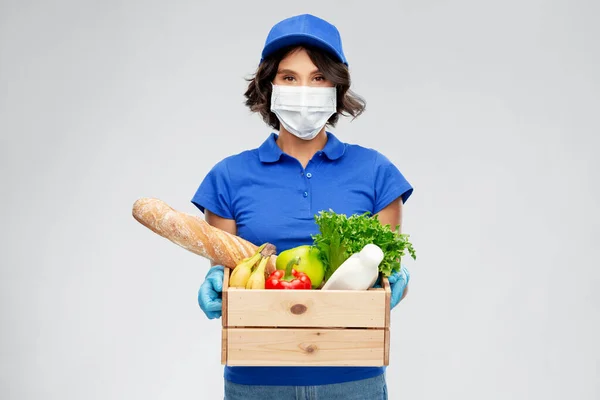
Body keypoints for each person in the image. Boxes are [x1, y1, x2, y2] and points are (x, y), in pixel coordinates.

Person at [193, 13, 413, 400]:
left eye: (318, 78)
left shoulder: (376, 172)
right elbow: (226, 266)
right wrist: (216, 280)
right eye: (289, 77)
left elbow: (386, 267)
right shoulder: (228, 177)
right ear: (269, 85)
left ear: (336, 87)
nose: (304, 89)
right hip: (256, 381)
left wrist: (396, 281)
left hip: (353, 380)